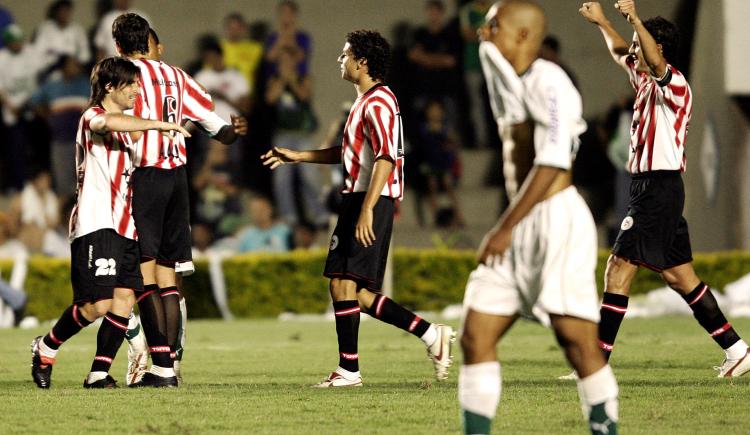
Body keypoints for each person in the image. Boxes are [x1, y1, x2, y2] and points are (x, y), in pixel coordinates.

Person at [457, 2, 619, 434]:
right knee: (475, 336)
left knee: (578, 343)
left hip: (555, 223)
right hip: (520, 221)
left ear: (525, 36)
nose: (485, 34)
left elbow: (551, 163)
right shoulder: (510, 75)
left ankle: (605, 425)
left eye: (494, 27)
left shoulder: (553, 83)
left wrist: (503, 227)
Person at [262, 29, 455, 388]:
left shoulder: (380, 102)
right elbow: (351, 152)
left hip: (371, 199)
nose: (341, 59)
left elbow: (385, 157)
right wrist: (299, 156)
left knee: (344, 285)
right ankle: (430, 335)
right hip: (360, 197)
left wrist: (367, 208)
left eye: (345, 54)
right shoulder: (365, 102)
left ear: (362, 61)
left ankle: (350, 371)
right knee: (353, 291)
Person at [580, 0, 750, 378]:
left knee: (618, 268)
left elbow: (651, 59)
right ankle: (738, 349)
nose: (634, 51)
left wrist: (634, 17)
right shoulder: (643, 79)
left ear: (660, 50)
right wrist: (603, 21)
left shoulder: (673, 83)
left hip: (658, 188)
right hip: (654, 188)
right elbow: (620, 50)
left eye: (642, 45)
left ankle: (593, 365)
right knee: (680, 277)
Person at [30, 56, 190, 389]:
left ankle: (98, 374)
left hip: (125, 224)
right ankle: (45, 347)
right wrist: (158, 124)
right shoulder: (93, 116)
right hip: (96, 221)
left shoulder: (127, 121)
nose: (136, 88)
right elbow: (109, 125)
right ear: (109, 87)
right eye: (130, 83)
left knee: (124, 300)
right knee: (96, 305)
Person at [112, 14, 247, 387]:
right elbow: (218, 129)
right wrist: (235, 132)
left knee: (143, 274)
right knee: (169, 275)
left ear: (119, 45)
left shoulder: (121, 77)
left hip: (144, 176)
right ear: (148, 40)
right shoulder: (178, 76)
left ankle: (159, 365)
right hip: (177, 179)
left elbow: (106, 122)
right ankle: (169, 363)